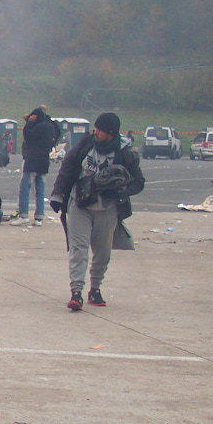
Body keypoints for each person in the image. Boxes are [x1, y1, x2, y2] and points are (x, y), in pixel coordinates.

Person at [50, 111, 144, 312]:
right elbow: (68, 166)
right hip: (79, 204)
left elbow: (139, 182)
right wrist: (58, 195)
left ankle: (95, 289)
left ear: (110, 133)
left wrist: (120, 192)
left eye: (100, 129)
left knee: (102, 253)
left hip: (107, 207)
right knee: (79, 248)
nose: (96, 132)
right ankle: (76, 292)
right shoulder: (86, 144)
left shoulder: (124, 152)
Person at [12, 107, 60, 225]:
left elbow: (28, 135)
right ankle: (39, 217)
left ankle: (23, 216)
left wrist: (29, 122)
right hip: (44, 161)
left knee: (25, 189)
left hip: (32, 161)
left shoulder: (38, 126)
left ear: (36, 118)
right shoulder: (50, 126)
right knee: (40, 191)